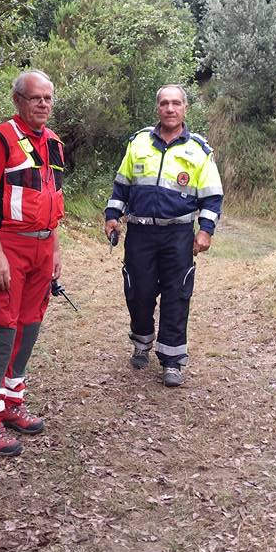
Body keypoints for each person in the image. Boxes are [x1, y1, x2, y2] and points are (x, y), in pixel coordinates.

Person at [0, 69, 64, 457]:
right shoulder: (0, 138)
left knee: (29, 327)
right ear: (18, 101)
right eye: (34, 98)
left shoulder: (54, 142)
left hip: (42, 247)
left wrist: (55, 249)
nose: (42, 104)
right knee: (2, 329)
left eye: (47, 98)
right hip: (8, 245)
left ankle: (10, 403)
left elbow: (52, 198)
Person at [104, 84, 223, 388]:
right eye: (164, 104)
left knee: (176, 294)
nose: (170, 109)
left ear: (185, 108)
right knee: (138, 291)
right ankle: (142, 341)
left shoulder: (198, 150)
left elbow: (212, 197)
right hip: (140, 233)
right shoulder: (138, 143)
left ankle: (172, 360)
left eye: (176, 104)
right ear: (157, 108)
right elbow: (122, 187)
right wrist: (112, 216)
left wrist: (205, 231)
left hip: (179, 235)